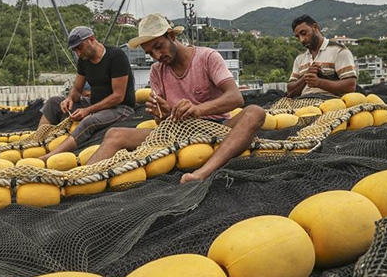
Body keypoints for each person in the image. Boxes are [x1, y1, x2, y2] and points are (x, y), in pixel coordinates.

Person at [86, 13, 265, 183]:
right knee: (114, 134)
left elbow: (235, 98)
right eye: (150, 53)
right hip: (176, 132)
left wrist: (198, 109)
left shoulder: (207, 57)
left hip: (216, 127)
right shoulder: (157, 70)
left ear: (171, 36)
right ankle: (79, 179)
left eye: (158, 47)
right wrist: (162, 113)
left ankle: (203, 172)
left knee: (255, 112)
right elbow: (161, 122)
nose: (157, 56)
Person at [38, 26, 136, 162]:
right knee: (53, 102)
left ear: (91, 39)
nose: (78, 53)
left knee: (89, 121)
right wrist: (70, 99)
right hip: (95, 103)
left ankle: (49, 157)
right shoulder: (83, 61)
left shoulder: (116, 56)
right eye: (75, 50)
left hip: (120, 108)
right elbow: (77, 89)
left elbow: (118, 96)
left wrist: (87, 110)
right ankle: (38, 142)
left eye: (80, 48)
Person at [286, 15, 357, 98]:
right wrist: (306, 77)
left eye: (304, 33)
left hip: (332, 104)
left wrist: (319, 83)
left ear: (315, 27)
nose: (301, 39)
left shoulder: (339, 51)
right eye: (298, 37)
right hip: (302, 104)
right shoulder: (300, 59)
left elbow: (350, 85)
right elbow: (290, 90)